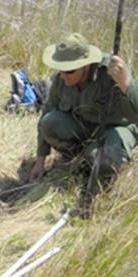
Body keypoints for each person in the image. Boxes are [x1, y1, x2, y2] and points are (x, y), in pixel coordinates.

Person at [29, 33, 138, 187]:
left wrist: (125, 84)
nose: (63, 76)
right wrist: (40, 161)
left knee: (104, 162)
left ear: (86, 65)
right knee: (49, 123)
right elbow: (47, 111)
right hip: (83, 126)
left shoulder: (114, 72)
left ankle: (94, 161)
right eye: (60, 69)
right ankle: (80, 159)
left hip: (115, 128)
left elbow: (135, 114)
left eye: (69, 71)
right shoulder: (61, 78)